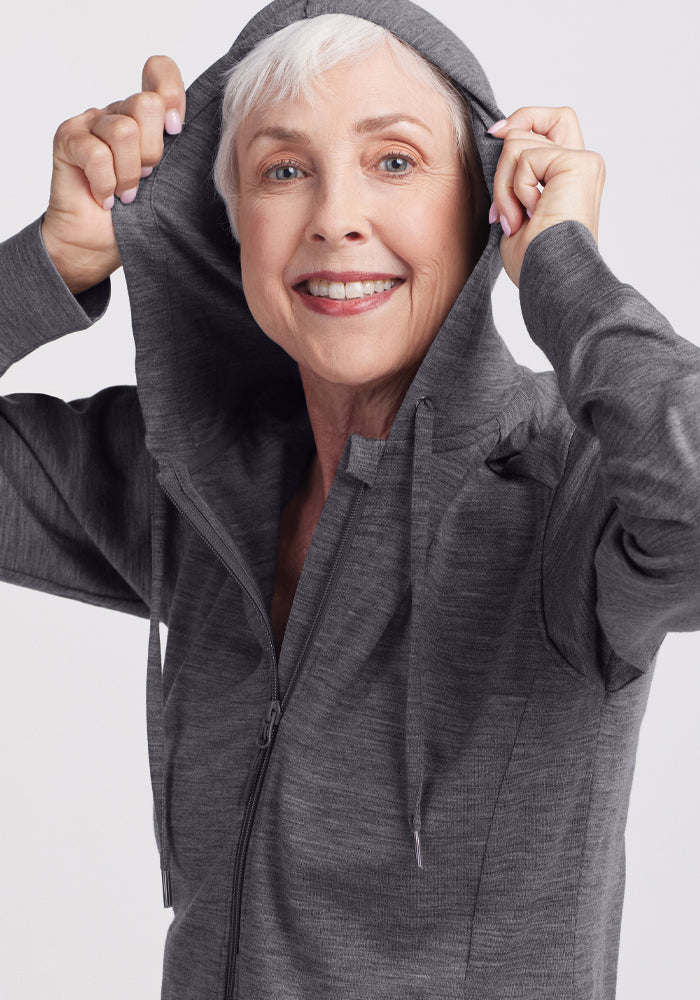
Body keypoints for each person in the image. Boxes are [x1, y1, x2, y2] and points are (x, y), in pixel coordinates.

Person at [1, 0, 699, 997]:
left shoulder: (564, 485)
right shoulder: (189, 482)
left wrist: (562, 266)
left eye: (396, 161)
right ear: (228, 224)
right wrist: (50, 262)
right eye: (283, 171)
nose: (334, 215)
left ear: (482, 202)